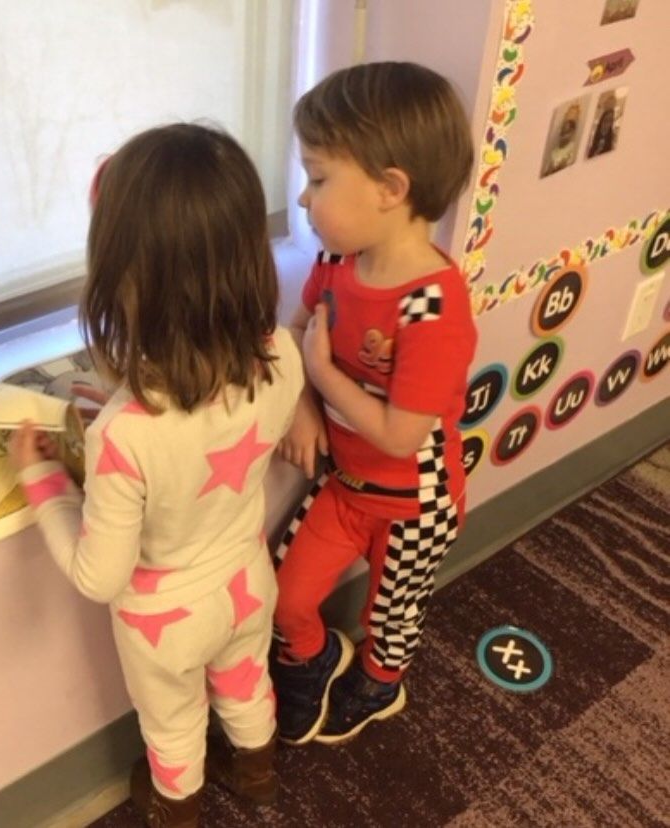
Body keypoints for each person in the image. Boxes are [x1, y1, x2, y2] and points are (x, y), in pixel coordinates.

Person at [8, 123, 304, 828]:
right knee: (245, 681)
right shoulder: (283, 354)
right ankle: (257, 770)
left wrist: (42, 480)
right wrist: (117, 396)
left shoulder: (125, 437)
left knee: (171, 726)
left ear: (125, 285)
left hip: (161, 623)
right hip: (245, 580)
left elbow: (97, 577)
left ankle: (178, 808)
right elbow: (209, 421)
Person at [271, 61, 477, 746]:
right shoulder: (336, 263)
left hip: (416, 501)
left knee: (393, 614)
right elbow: (296, 333)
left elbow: (399, 433)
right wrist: (303, 407)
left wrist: (322, 379)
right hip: (344, 485)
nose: (304, 199)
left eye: (319, 178)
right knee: (285, 593)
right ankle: (314, 660)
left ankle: (381, 684)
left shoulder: (433, 305)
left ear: (391, 189)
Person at [542, 103, 580, 176]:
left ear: (572, 132)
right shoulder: (554, 151)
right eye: (563, 131)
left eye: (567, 131)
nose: (564, 135)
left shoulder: (573, 147)